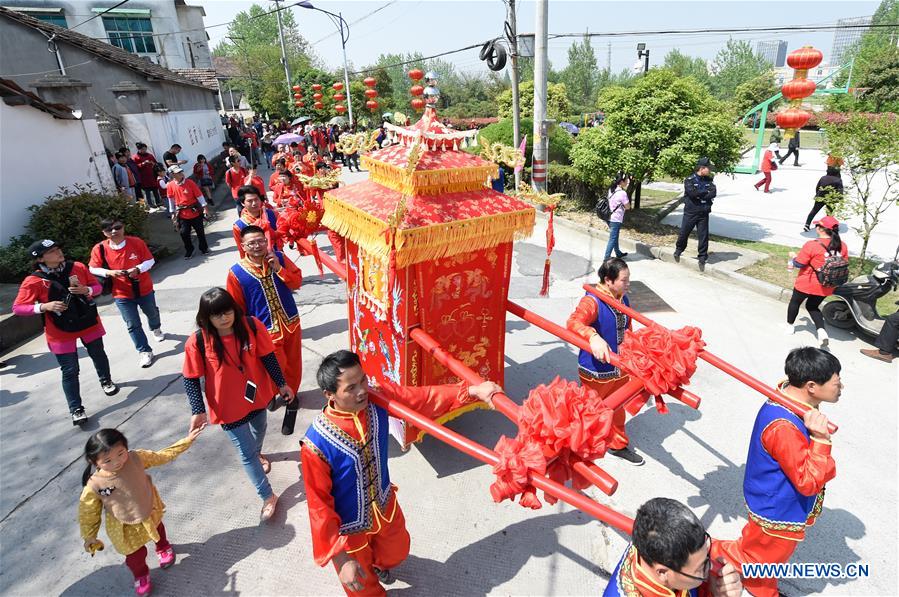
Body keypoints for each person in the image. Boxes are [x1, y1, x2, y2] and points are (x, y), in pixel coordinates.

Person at [301, 350, 500, 596]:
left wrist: (471, 391)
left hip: (385, 505)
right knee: (362, 588)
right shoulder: (316, 444)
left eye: (362, 380)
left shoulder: (377, 399)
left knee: (397, 551)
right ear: (329, 394)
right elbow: (318, 505)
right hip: (348, 530)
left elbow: (422, 398)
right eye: (350, 388)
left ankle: (379, 563)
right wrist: (341, 559)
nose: (362, 390)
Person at [718, 348, 840, 597]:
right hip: (777, 508)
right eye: (836, 382)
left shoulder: (787, 394)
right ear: (812, 386)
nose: (841, 387)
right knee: (760, 558)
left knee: (761, 553)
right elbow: (808, 482)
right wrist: (821, 440)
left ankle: (758, 585)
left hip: (772, 497)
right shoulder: (784, 426)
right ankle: (700, 551)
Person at [183, 288, 293, 520]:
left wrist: (282, 384)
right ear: (206, 318)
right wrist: (197, 410)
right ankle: (267, 496)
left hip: (257, 397)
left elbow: (268, 357)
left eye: (227, 312)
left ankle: (259, 452)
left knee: (259, 429)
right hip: (227, 407)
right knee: (246, 454)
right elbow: (191, 377)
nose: (224, 318)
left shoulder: (252, 327)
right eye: (217, 315)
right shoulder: (199, 341)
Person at [79, 427, 201, 596]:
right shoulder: (94, 485)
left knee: (158, 529)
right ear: (94, 462)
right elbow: (88, 513)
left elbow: (161, 456)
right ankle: (141, 575)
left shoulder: (136, 457)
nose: (117, 462)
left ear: (126, 447)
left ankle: (163, 547)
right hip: (124, 525)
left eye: (121, 453)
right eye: (107, 460)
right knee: (135, 557)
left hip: (148, 508)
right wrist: (89, 536)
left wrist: (186, 441)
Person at [12, 240, 118, 425]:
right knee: (70, 370)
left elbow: (99, 287)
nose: (59, 252)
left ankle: (106, 381)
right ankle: (76, 409)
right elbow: (18, 308)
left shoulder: (76, 266)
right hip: (60, 330)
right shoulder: (34, 281)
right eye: (52, 251)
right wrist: (44, 306)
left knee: (98, 354)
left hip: (88, 322)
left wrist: (87, 290)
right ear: (40, 259)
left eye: (58, 248)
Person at [227, 225, 303, 435]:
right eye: (251, 243)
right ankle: (272, 392)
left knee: (294, 364)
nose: (257, 246)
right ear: (243, 246)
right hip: (265, 332)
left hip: (291, 322)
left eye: (261, 241)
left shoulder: (278, 257)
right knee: (275, 367)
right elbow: (237, 308)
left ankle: (292, 397)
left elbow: (296, 282)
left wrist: (279, 268)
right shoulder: (236, 273)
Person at [566, 258, 642, 465]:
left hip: (620, 365)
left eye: (629, 280)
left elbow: (628, 328)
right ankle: (576, 447)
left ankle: (617, 445)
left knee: (617, 408)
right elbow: (573, 322)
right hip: (596, 370)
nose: (628, 284)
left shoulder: (622, 298)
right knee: (589, 409)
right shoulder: (592, 301)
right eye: (624, 280)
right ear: (608, 280)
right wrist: (593, 336)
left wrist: (635, 350)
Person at [604, 497, 743, 597]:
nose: (711, 568)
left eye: (706, 558)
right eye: (701, 569)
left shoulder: (653, 547)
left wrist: (713, 591)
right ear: (663, 573)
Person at [89, 219, 166, 368]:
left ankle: (156, 328)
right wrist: (109, 272)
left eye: (117, 227)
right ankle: (144, 351)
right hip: (121, 293)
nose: (113, 231)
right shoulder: (99, 248)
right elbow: (92, 268)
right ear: (103, 233)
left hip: (144, 288)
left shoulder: (136, 242)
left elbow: (150, 260)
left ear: (123, 228)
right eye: (108, 229)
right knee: (132, 324)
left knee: (152, 313)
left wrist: (138, 269)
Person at [786, 215, 848, 348]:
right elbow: (845, 262)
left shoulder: (812, 245)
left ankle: (790, 326)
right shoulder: (842, 246)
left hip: (807, 282)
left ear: (821, 229)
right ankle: (821, 331)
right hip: (827, 285)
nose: (816, 228)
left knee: (795, 302)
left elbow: (799, 263)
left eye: (817, 226)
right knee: (812, 306)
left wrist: (793, 256)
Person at [674, 157, 716, 272]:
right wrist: (704, 192)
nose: (710, 170)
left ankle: (702, 256)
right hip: (691, 211)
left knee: (703, 235)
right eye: (708, 168)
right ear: (702, 168)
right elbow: (692, 194)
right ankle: (679, 249)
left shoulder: (709, 180)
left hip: (704, 211)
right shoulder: (689, 180)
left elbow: (713, 193)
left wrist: (701, 194)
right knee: (684, 232)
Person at [166, 165, 210, 259]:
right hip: (182, 214)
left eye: (181, 171)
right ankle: (189, 250)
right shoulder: (170, 185)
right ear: (173, 174)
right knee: (184, 233)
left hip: (194, 211)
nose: (181, 173)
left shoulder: (190, 182)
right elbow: (171, 200)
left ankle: (204, 248)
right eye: (178, 172)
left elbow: (199, 196)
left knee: (200, 231)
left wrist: (205, 208)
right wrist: (172, 213)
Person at [232, 186, 281, 258]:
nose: (254, 203)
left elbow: (283, 234)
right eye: (249, 201)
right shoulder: (239, 226)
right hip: (256, 262)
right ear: (242, 203)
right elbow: (242, 250)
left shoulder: (272, 214)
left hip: (277, 257)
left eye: (256, 199)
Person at [804, 167, 843, 232]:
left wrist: (818, 194)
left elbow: (817, 187)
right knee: (830, 213)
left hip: (820, 196)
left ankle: (807, 225)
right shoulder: (838, 179)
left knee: (814, 211)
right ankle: (829, 226)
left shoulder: (823, 178)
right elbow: (840, 191)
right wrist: (839, 199)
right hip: (831, 198)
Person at [604, 173, 630, 261]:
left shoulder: (611, 190)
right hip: (616, 219)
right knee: (613, 238)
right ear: (622, 182)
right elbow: (628, 207)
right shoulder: (622, 193)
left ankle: (618, 253)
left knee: (615, 236)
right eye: (626, 180)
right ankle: (606, 258)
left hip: (608, 217)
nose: (627, 182)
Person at [133, 143, 161, 210]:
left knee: (155, 190)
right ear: (139, 149)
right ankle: (150, 204)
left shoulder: (150, 155)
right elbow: (135, 167)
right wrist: (143, 163)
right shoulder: (135, 157)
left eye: (145, 149)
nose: (144, 150)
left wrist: (153, 163)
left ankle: (158, 202)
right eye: (142, 149)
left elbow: (155, 163)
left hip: (152, 176)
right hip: (144, 177)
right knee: (147, 191)